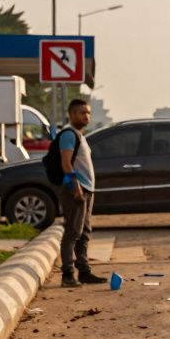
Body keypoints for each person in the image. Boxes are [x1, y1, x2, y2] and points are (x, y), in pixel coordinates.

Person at [57, 99, 105, 287]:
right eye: (82, 113)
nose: (87, 116)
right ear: (72, 114)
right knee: (72, 232)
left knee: (84, 232)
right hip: (76, 189)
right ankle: (68, 275)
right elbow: (66, 163)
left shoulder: (79, 135)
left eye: (88, 113)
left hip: (87, 189)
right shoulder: (68, 135)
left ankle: (84, 271)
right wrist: (75, 186)